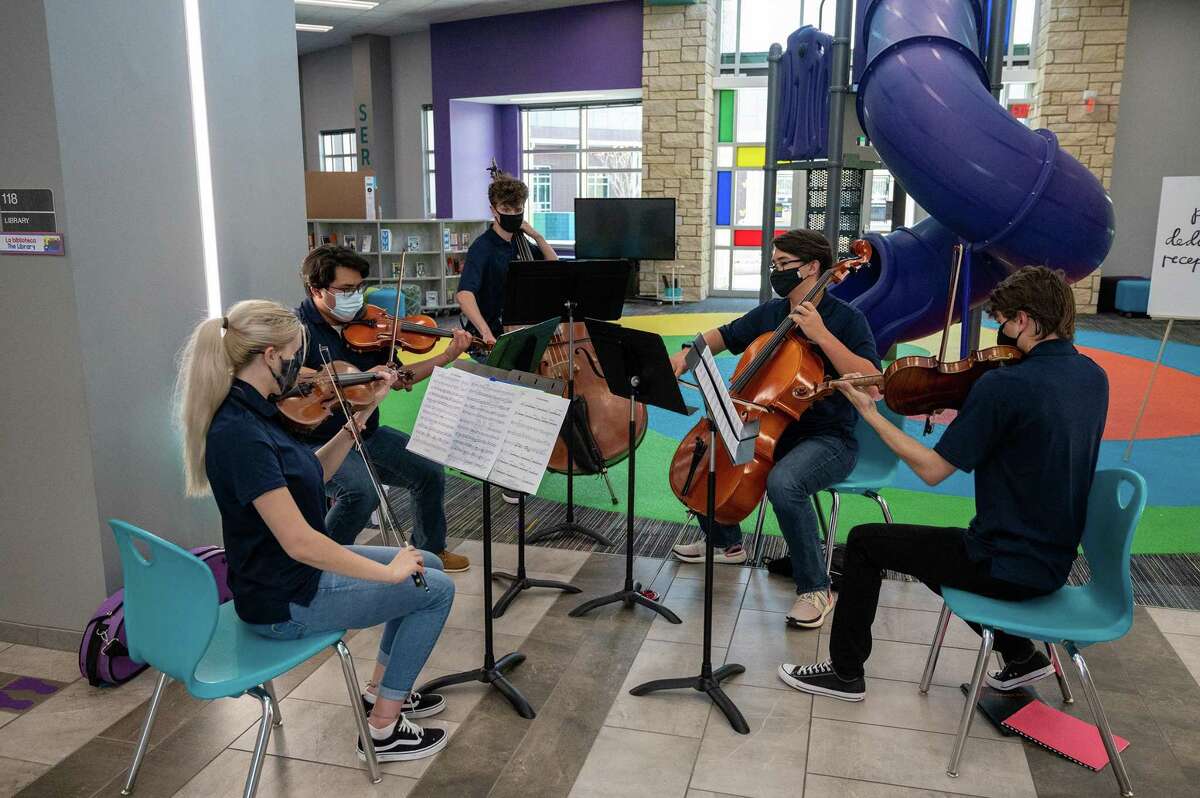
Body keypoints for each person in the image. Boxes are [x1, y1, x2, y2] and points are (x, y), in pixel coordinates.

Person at [778, 266, 1108, 702]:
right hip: (1054, 560)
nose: (1001, 333)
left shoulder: (1005, 386)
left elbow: (933, 470)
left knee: (864, 542)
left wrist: (872, 415)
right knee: (933, 555)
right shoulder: (1092, 377)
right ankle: (1022, 656)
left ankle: (844, 673)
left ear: (1025, 321)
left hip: (1004, 562)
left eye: (1004, 322)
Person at [176, 299, 455, 760]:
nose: (301, 368)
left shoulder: (257, 412)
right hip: (283, 600)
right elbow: (300, 541)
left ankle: (381, 690)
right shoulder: (240, 435)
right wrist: (386, 573)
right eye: (295, 355)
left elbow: (312, 476)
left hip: (288, 578)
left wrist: (360, 418)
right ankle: (383, 731)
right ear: (271, 357)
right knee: (435, 589)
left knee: (430, 565)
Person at [670, 229, 880, 629]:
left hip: (828, 438)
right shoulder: (773, 312)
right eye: (774, 265)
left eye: (783, 265)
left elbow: (873, 379)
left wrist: (820, 335)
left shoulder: (846, 319)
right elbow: (725, 335)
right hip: (771, 430)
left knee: (784, 483)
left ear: (813, 268)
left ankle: (816, 588)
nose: (776, 272)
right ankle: (726, 544)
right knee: (707, 454)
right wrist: (684, 355)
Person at [296, 245, 473, 572]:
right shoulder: (295, 332)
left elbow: (402, 376)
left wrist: (445, 357)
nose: (357, 298)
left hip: (366, 431)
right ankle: (317, 567)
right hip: (318, 441)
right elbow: (286, 382)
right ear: (316, 290)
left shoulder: (369, 325)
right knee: (360, 493)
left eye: (359, 288)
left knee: (428, 471)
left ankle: (431, 550)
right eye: (346, 290)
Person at [455, 171, 558, 348]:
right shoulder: (482, 247)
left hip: (523, 329)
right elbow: (464, 295)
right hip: (493, 335)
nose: (513, 214)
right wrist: (485, 333)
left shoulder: (521, 242)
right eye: (506, 209)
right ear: (493, 210)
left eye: (518, 210)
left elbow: (555, 268)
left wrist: (538, 237)